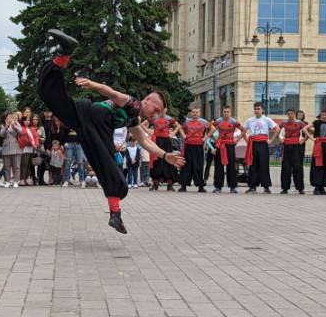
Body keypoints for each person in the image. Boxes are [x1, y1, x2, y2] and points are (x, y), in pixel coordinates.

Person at [39, 29, 184, 233]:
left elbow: (144, 140)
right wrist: (92, 84)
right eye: (156, 110)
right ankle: (116, 213)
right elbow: (112, 92)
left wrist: (165, 155)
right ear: (147, 101)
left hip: (85, 119)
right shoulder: (134, 104)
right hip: (95, 120)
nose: (156, 115)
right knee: (112, 169)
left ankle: (64, 53)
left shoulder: (133, 117)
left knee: (53, 96)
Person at [203, 105, 246, 194]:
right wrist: (215, 139)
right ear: (222, 112)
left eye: (227, 112)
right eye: (224, 112)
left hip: (230, 145)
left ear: (230, 112)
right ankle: (218, 186)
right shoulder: (218, 121)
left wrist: (237, 139)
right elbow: (209, 130)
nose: (226, 114)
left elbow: (243, 130)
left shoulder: (234, 122)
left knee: (231, 166)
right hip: (220, 145)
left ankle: (233, 186)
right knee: (218, 166)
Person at [243, 102, 280, 193]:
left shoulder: (267, 120)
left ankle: (266, 186)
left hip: (263, 143)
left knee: (264, 164)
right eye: (255, 109)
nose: (257, 110)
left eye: (258, 109)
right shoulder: (250, 120)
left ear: (262, 109)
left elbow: (277, 129)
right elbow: (243, 130)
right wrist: (247, 140)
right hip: (254, 143)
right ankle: (252, 186)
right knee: (253, 164)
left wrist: (271, 140)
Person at [177, 109, 209, 193]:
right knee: (186, 165)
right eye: (193, 112)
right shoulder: (187, 122)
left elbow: (212, 128)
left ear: (199, 113)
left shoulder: (203, 122)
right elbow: (180, 128)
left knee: (198, 166)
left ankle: (200, 186)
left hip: (198, 145)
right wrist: (184, 135)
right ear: (191, 113)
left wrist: (206, 137)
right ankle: (183, 185)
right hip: (188, 145)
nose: (195, 113)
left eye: (196, 112)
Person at [149, 112, 180, 191]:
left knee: (168, 161)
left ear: (166, 110)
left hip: (166, 141)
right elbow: (143, 124)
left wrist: (172, 134)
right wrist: (149, 132)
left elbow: (178, 126)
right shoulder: (154, 118)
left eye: (163, 109)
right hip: (157, 141)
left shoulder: (169, 118)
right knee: (156, 161)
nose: (162, 111)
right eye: (160, 109)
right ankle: (155, 183)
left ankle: (169, 184)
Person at [278, 109, 305, 194]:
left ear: (295, 114)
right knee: (286, 168)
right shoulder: (283, 123)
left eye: (292, 114)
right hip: (286, 146)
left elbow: (309, 130)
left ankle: (300, 188)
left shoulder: (300, 123)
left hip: (296, 147)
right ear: (287, 114)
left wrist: (304, 139)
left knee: (298, 168)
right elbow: (276, 130)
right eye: (288, 114)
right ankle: (285, 188)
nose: (290, 115)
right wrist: (279, 139)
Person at [0, 112, 23, 188]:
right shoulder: (3, 125)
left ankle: (16, 181)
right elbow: (2, 134)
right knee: (7, 166)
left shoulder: (17, 125)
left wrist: (14, 126)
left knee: (16, 166)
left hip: (16, 147)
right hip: (6, 147)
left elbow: (21, 133)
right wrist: (7, 125)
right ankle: (7, 181)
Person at [18, 116, 39, 186]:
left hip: (32, 149)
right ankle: (22, 179)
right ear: (23, 121)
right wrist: (31, 144)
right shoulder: (21, 129)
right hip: (25, 148)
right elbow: (24, 139)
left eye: (28, 120)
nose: (27, 122)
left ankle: (26, 178)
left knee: (29, 165)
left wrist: (36, 144)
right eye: (26, 120)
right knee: (24, 164)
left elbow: (36, 137)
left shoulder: (32, 129)